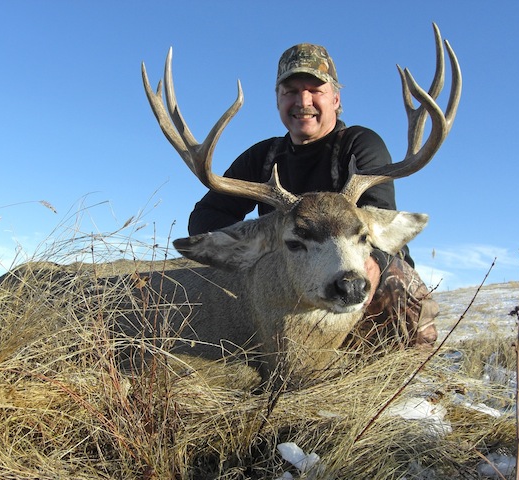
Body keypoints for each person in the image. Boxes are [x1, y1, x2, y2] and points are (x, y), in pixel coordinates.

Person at [187, 43, 438, 348]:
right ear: (278, 100)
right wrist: (265, 245)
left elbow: (379, 217)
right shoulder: (262, 156)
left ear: (335, 98)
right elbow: (204, 219)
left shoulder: (360, 145)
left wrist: (369, 264)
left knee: (396, 283)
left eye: (315, 89)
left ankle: (399, 370)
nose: (302, 101)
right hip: (292, 279)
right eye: (290, 91)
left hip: (359, 269)